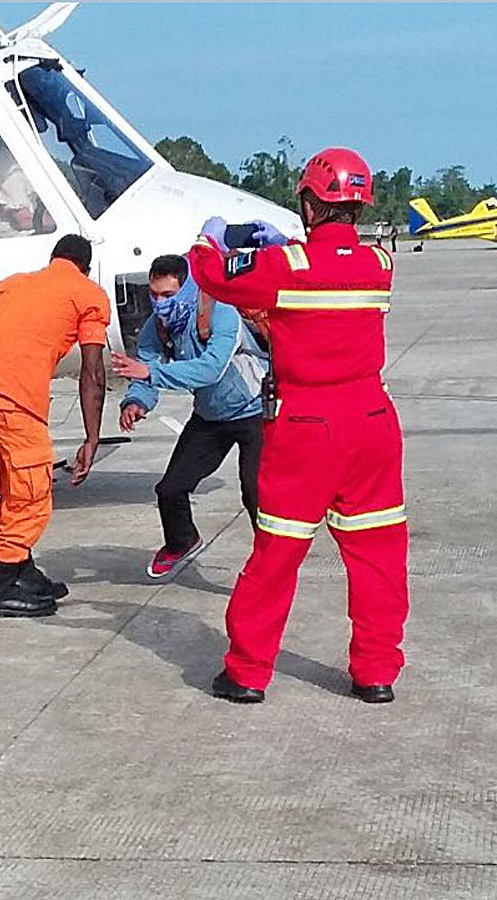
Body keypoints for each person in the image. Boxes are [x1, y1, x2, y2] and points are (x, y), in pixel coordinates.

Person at [189, 146, 407, 705]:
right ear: (360, 206)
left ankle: (247, 672)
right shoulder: (380, 264)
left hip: (307, 425)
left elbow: (213, 275)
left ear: (310, 204)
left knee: (279, 552)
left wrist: (209, 239)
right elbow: (329, 273)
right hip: (373, 421)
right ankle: (376, 672)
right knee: (378, 555)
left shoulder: (286, 268)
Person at [0, 235, 109, 618]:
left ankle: (22, 570)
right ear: (87, 267)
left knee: (13, 483)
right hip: (13, 395)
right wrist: (92, 438)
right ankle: (1, 587)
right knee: (32, 489)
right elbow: (93, 372)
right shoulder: (88, 294)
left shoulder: (15, 283)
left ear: (52, 260)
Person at [111, 254, 267, 580]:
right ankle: (182, 541)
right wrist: (136, 401)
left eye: (167, 296)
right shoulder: (159, 326)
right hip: (211, 416)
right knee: (169, 489)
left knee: (255, 492)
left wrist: (149, 373)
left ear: (186, 290)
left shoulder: (221, 312)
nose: (159, 303)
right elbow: (147, 366)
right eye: (154, 294)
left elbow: (211, 369)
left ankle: (270, 563)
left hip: (255, 412)